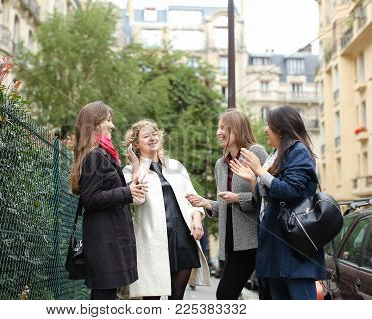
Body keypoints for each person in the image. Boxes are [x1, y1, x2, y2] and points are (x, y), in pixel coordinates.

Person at [229, 105, 326, 300]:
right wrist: (252, 179)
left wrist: (260, 172)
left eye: (269, 125)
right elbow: (267, 196)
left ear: (281, 130)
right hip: (275, 247)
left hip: (294, 250)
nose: (265, 129)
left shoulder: (298, 151)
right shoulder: (276, 154)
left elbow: (290, 190)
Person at [122, 120, 210, 300]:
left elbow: (193, 198)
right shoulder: (130, 170)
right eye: (146, 136)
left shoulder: (175, 166)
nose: (152, 138)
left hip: (183, 239)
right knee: (151, 300)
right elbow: (138, 199)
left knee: (177, 298)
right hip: (153, 242)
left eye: (154, 133)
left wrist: (196, 219)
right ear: (136, 144)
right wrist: (137, 164)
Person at [186, 109, 268, 300]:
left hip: (258, 240)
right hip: (233, 243)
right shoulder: (220, 164)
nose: (218, 132)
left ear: (237, 129)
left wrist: (239, 198)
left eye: (223, 127)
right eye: (218, 127)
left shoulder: (256, 153)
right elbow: (226, 204)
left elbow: (267, 195)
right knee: (225, 295)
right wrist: (207, 203)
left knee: (268, 297)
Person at [70, 101, 148, 300]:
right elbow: (90, 198)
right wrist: (127, 192)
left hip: (107, 238)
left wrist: (130, 184)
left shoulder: (100, 154)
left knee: (106, 294)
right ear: (95, 123)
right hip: (103, 240)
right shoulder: (95, 156)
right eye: (108, 120)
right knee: (104, 296)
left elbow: (105, 190)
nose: (113, 126)